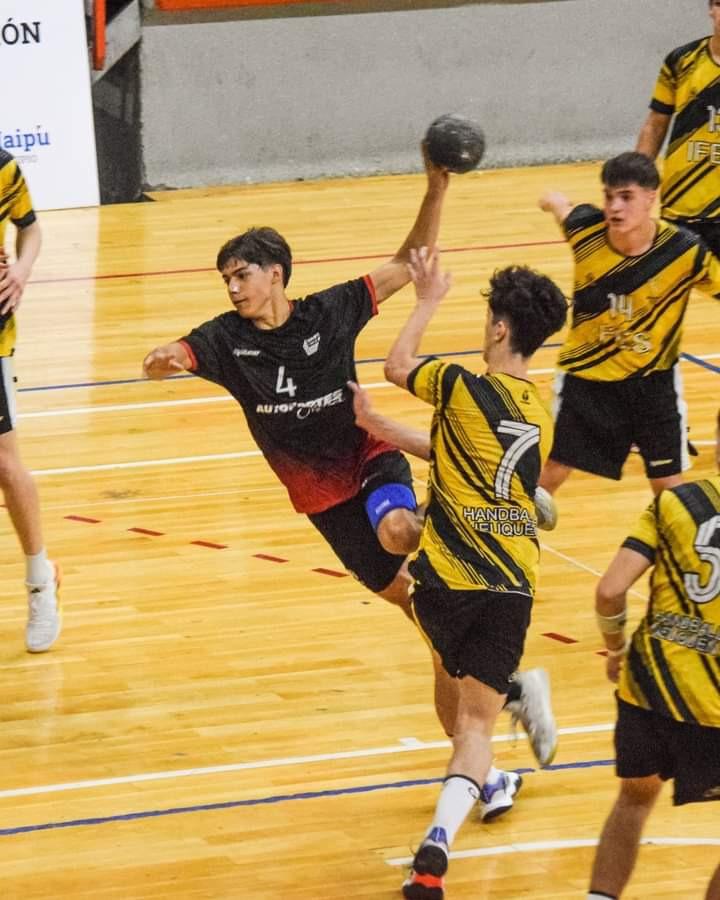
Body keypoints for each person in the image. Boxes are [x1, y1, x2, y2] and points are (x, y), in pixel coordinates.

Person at [143, 148, 556, 812]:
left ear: (276, 273)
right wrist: (163, 358)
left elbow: (409, 262)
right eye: (225, 278)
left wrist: (435, 188)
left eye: (241, 274)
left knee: (398, 532)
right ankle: (497, 727)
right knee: (424, 618)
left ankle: (471, 502)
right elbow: (176, 354)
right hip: (321, 499)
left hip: (371, 460)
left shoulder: (328, 314)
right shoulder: (223, 340)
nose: (232, 288)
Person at [364, 247, 567, 899]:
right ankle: (435, 851)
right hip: (514, 584)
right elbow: (461, 450)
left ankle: (515, 692)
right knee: (472, 726)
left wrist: (426, 299)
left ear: (501, 327)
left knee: (449, 686)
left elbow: (397, 366)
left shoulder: (458, 384)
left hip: (450, 578)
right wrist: (380, 427)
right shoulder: (539, 412)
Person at [587, 409, 720, 900]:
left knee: (633, 801)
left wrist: (616, 649)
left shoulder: (676, 503)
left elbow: (610, 590)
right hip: (715, 710)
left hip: (649, 686)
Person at [538, 151, 720, 501]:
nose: (615, 208)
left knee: (670, 489)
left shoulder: (684, 251)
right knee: (550, 473)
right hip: (588, 380)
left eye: (626, 197)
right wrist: (552, 201)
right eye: (609, 196)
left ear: (651, 197)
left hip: (653, 385)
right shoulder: (586, 230)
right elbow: (564, 210)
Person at [0, 149, 61, 653]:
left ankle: (41, 583)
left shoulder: (2, 168)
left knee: (4, 462)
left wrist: (21, 269)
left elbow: (30, 226)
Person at [636, 0, 720, 257]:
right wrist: (636, 183)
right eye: (719, 4)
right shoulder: (681, 61)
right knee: (667, 294)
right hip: (680, 207)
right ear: (710, 9)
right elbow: (654, 125)